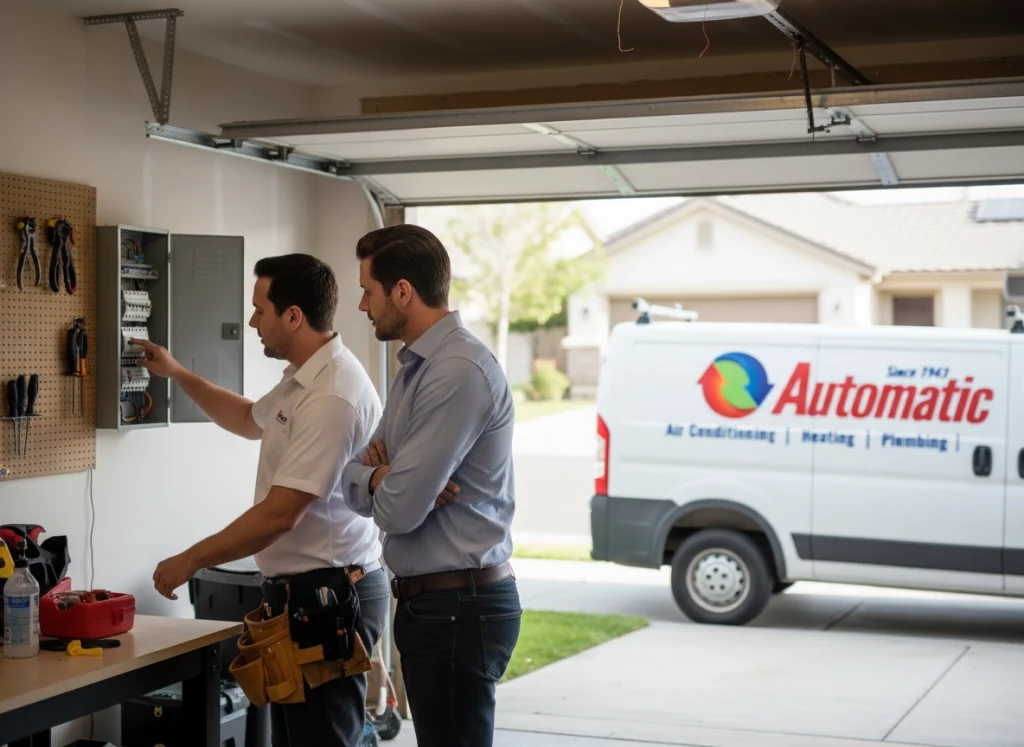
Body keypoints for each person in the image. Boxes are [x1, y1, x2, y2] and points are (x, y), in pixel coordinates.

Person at [138, 254, 389, 747]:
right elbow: (249, 419)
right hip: (306, 594)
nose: (252, 321)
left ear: (293, 316)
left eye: (260, 310)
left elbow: (280, 514)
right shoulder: (305, 379)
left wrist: (190, 560)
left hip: (330, 595)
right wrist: (176, 373)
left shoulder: (331, 395)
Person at [341, 224, 521, 747]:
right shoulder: (415, 369)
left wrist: (395, 483)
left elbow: (396, 512)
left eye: (367, 291)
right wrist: (384, 475)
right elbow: (352, 482)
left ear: (403, 291)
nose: (361, 305)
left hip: (458, 609)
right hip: (435, 607)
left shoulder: (455, 371)